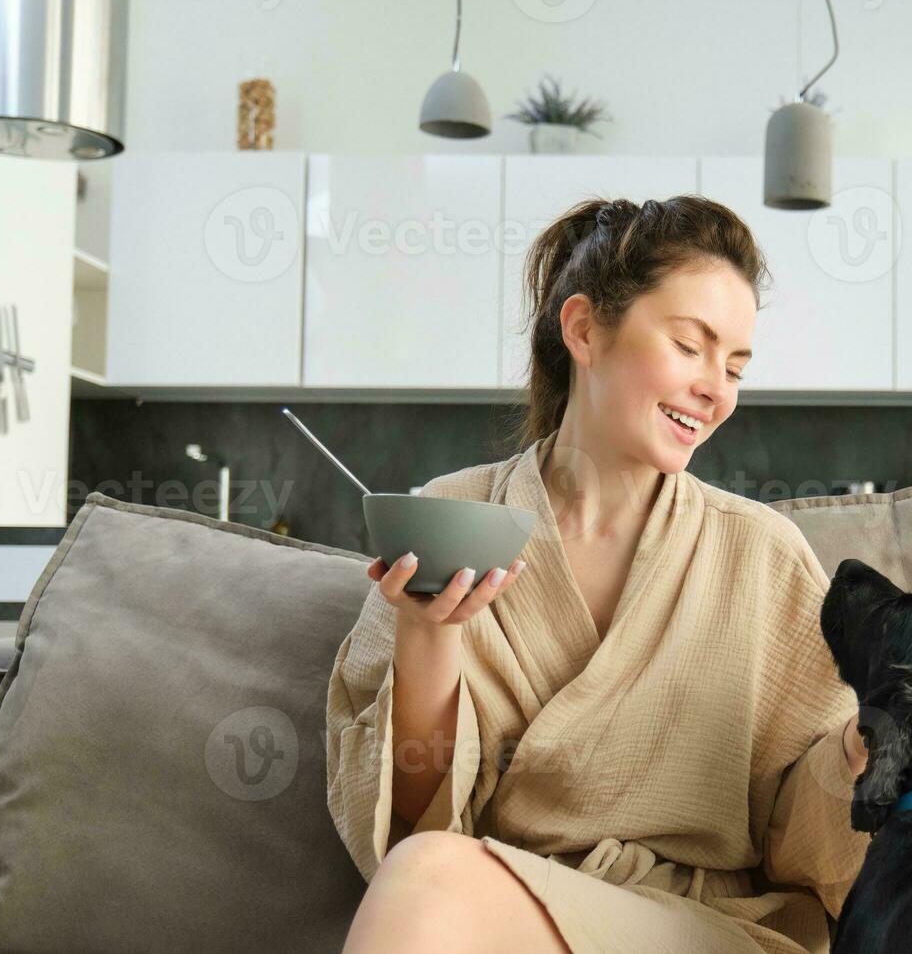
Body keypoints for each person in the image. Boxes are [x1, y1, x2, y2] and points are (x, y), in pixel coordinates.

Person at [328, 195, 872, 953]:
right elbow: (401, 829)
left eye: (736, 366)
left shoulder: (762, 554)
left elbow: (809, 847)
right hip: (498, 914)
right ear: (584, 329)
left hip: (706, 933)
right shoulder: (453, 518)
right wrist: (427, 637)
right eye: (691, 345)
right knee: (425, 872)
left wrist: (859, 751)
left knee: (429, 880)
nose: (717, 390)